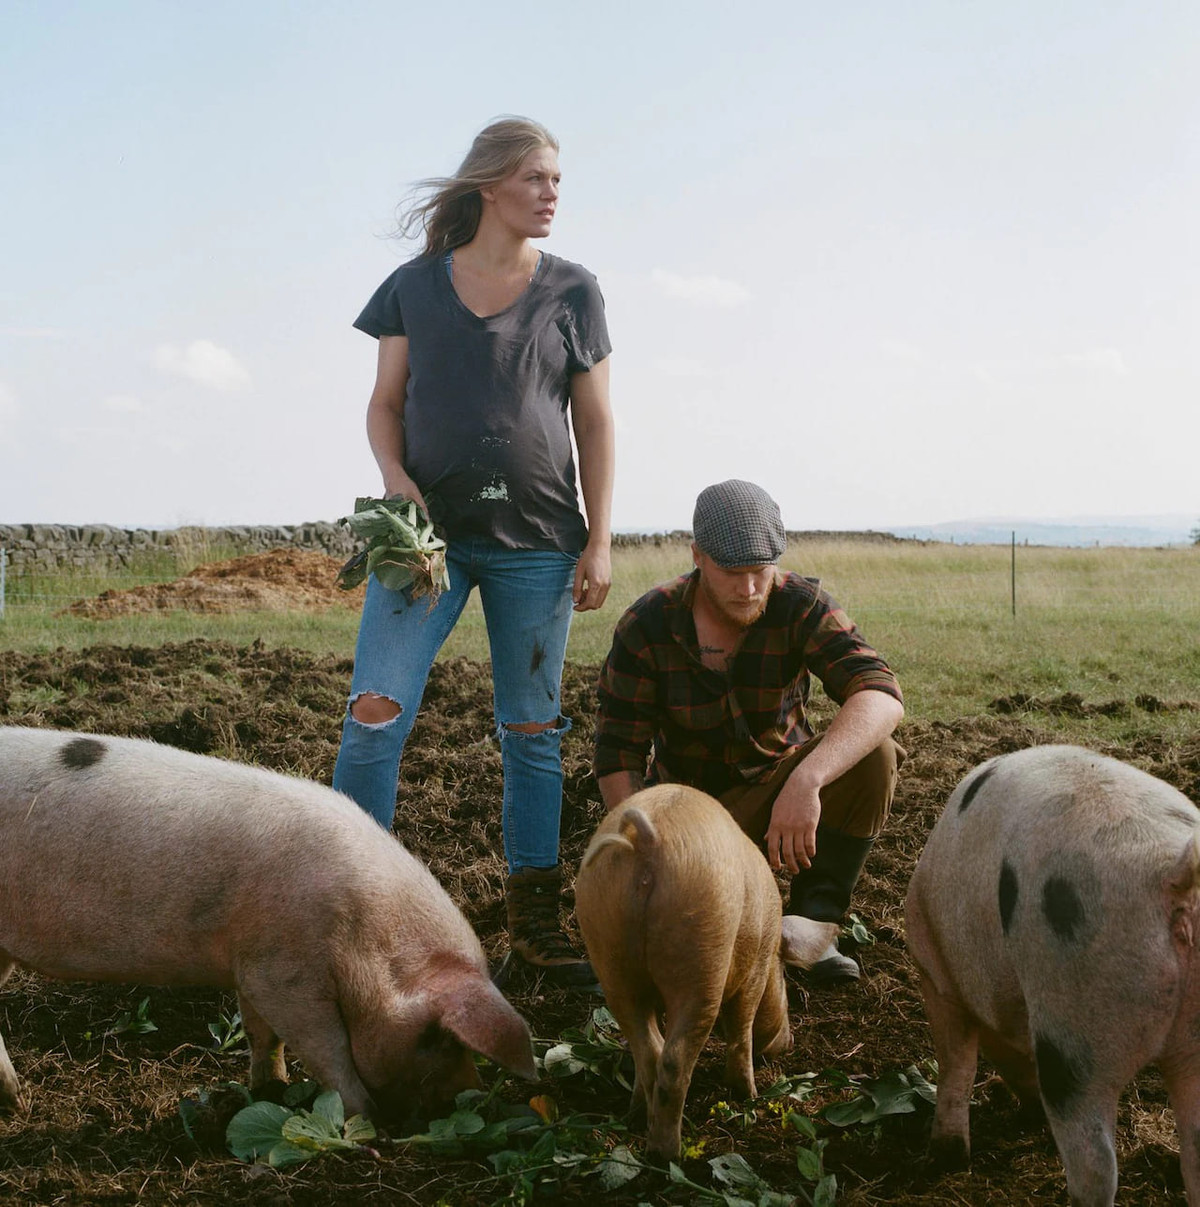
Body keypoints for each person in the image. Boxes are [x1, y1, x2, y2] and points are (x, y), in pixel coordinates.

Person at [333, 117, 614, 990]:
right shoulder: (413, 289)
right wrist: (393, 476)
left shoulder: (575, 291)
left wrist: (599, 536)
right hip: (426, 546)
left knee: (531, 729)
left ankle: (534, 920)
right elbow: (385, 404)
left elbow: (595, 421)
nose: (552, 193)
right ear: (489, 185)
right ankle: (350, 901)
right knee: (373, 716)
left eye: (558, 179)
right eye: (537, 177)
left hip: (537, 543)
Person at [593, 480, 904, 984]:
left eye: (760, 571)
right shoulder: (647, 624)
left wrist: (808, 782)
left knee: (876, 755)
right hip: (688, 820)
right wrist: (645, 848)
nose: (749, 589)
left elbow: (880, 693)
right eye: (732, 573)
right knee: (692, 953)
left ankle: (812, 925)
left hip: (781, 795)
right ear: (697, 556)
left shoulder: (801, 604)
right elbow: (617, 753)